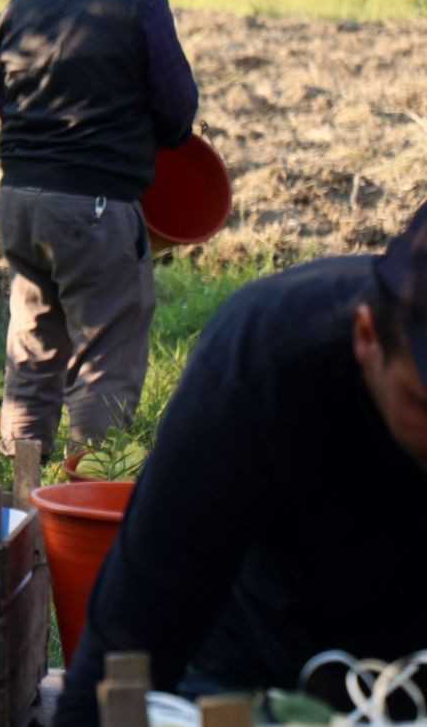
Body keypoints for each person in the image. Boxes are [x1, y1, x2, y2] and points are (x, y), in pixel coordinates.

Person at [55, 201, 427, 725]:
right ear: (367, 338)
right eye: (423, 405)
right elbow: (137, 625)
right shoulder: (262, 363)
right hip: (265, 662)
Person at [0, 0, 199, 458]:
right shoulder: (140, 4)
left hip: (20, 202)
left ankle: (23, 495)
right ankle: (88, 497)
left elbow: (3, 100)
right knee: (106, 356)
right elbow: (177, 114)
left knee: (32, 350)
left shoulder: (24, 4)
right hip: (94, 204)